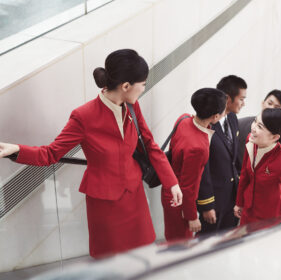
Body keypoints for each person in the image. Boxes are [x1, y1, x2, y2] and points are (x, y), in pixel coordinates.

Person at [0, 49, 182, 258]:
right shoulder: (83, 117)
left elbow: (150, 146)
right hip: (105, 204)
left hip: (134, 197)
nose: (143, 88)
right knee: (111, 263)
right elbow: (50, 154)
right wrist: (16, 150)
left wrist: (172, 182)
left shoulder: (132, 107)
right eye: (142, 84)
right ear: (125, 86)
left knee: (142, 257)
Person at [161, 88, 227, 241]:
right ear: (215, 116)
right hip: (180, 201)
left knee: (171, 237)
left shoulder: (183, 119)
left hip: (169, 190)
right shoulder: (198, 148)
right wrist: (191, 216)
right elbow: (188, 186)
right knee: (180, 244)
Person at [197, 75, 247, 234]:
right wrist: (206, 205)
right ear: (227, 98)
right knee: (206, 244)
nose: (243, 103)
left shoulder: (232, 118)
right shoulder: (207, 123)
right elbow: (202, 168)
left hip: (231, 200)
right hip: (214, 202)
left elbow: (235, 158)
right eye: (241, 99)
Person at [237, 90, 281, 168]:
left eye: (277, 107)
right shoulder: (241, 124)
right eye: (269, 103)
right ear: (262, 103)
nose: (271, 108)